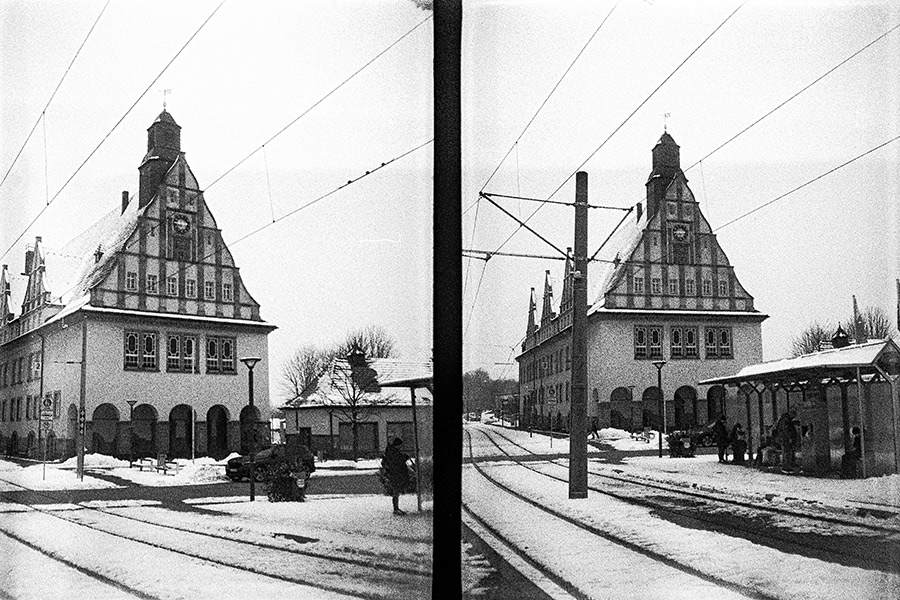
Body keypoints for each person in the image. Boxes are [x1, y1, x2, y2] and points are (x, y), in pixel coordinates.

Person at [382, 437, 410, 515]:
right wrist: (405, 457)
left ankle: (396, 508)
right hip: (395, 474)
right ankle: (396, 508)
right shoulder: (394, 453)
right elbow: (398, 461)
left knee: (396, 491)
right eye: (400, 445)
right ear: (397, 445)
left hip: (394, 474)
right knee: (396, 491)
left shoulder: (391, 452)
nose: (401, 447)